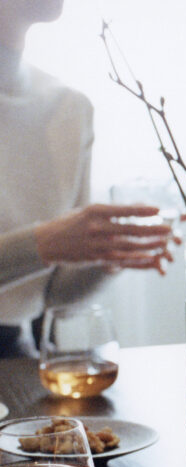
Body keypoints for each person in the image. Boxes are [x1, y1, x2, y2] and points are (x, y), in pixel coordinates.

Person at [0, 0, 176, 358]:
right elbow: (39, 250)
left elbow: (48, 295)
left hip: (19, 359)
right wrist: (41, 244)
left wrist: (109, 253)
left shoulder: (69, 108)